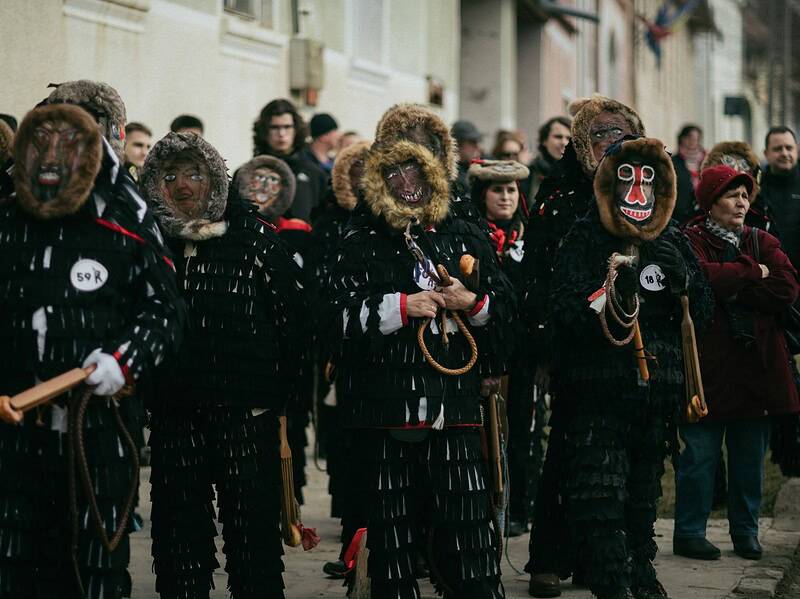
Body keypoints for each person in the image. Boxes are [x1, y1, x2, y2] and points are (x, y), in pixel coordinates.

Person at [322, 103, 516, 598]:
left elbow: (508, 317)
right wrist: (401, 307)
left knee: (469, 530)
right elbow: (331, 323)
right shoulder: (360, 234)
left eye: (421, 162)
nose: (410, 179)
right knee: (391, 537)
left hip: (456, 407)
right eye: (400, 165)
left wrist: (473, 303)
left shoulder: (465, 228)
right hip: (384, 408)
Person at [0, 79, 184, 599]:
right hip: (16, 436)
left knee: (93, 571)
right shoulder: (8, 221)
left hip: (97, 433)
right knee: (16, 566)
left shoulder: (126, 218)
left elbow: (165, 311)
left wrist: (121, 362)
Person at [141, 132, 306, 599]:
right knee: (178, 531)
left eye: (195, 173)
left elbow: (294, 325)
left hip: (246, 414)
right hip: (175, 413)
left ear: (215, 178)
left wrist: (278, 401)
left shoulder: (255, 238)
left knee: (251, 531)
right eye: (170, 175)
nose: (183, 186)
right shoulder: (150, 242)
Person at [548, 135, 712, 599]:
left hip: (656, 393)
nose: (638, 190)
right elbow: (563, 309)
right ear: (609, 184)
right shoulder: (585, 237)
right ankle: (610, 582)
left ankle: (641, 571)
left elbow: (703, 311)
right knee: (600, 491)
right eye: (627, 178)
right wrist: (608, 295)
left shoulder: (673, 239)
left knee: (642, 493)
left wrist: (684, 280)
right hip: (598, 395)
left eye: (647, 180)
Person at [523, 95, 644, 598]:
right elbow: (538, 277)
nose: (611, 144)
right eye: (600, 135)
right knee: (569, 450)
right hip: (576, 345)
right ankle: (548, 558)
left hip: (634, 348)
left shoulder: (642, 186)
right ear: (580, 142)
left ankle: (606, 558)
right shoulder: (560, 195)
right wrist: (543, 349)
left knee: (627, 458)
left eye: (621, 135)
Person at [675, 165, 800, 561]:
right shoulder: (690, 240)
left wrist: (732, 288)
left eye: (745, 196)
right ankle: (689, 532)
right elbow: (697, 280)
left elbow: (785, 287)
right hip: (707, 369)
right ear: (711, 203)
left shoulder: (762, 240)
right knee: (699, 456)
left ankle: (746, 532)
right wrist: (751, 272)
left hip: (756, 369)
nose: (742, 202)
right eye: (732, 195)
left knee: (749, 460)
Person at [469, 159, 547, 538]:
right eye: (497, 190)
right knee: (479, 434)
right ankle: (479, 506)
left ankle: (518, 508)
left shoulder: (532, 238)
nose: (505, 197)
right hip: (478, 353)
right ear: (482, 194)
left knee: (521, 433)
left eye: (511, 190)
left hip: (523, 355)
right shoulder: (470, 238)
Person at [309, 141, 373, 579]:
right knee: (352, 453)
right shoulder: (331, 221)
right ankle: (355, 549)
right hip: (349, 354)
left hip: (395, 357)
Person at [252, 98, 327, 224]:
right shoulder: (248, 173)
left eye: (287, 127)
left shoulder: (315, 174)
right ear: (264, 131)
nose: (282, 134)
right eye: (274, 127)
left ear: (296, 129)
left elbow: (323, 221)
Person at [759, 127, 800, 269]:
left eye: (789, 148)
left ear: (797, 150)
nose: (784, 153)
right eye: (777, 149)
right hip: (770, 274)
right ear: (766, 154)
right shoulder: (754, 189)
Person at [526, 116, 572, 200]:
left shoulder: (582, 174)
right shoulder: (529, 174)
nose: (564, 142)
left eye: (568, 138)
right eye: (558, 137)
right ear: (544, 140)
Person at [671, 124, 705, 225]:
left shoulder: (708, 160)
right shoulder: (673, 162)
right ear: (682, 139)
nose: (693, 142)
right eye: (690, 138)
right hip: (679, 216)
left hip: (702, 215)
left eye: (696, 138)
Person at [451, 118, 483, 190]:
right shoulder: (451, 175)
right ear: (458, 144)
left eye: (477, 141)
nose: (478, 146)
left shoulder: (476, 166)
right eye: (472, 142)